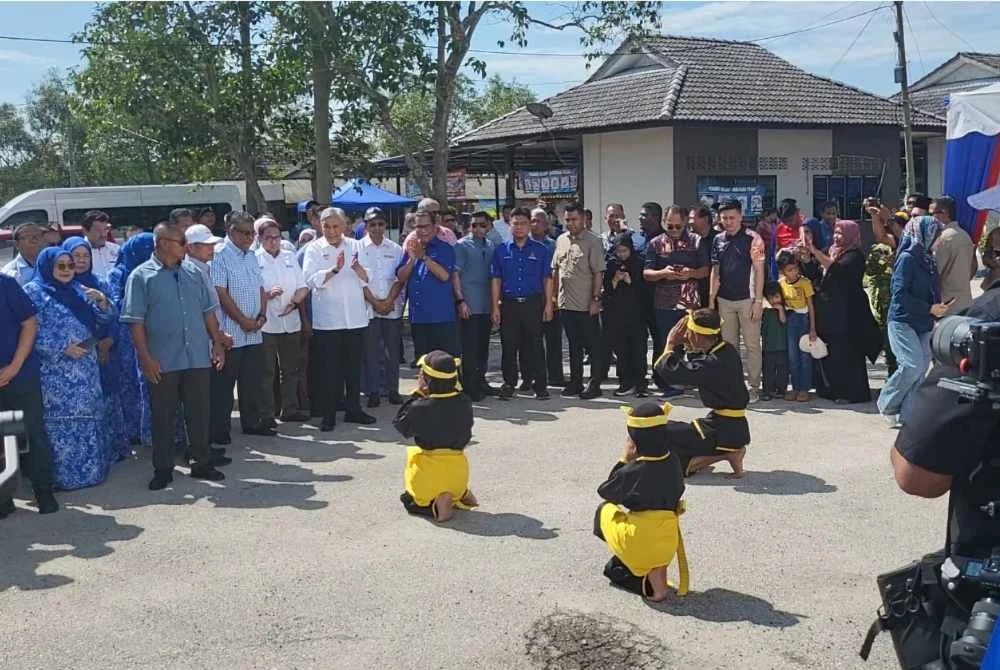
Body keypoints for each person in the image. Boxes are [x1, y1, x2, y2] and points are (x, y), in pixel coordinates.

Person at [123, 223, 231, 489]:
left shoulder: (193, 272)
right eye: (181, 241)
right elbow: (134, 321)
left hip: (196, 357)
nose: (186, 246)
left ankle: (201, 463)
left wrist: (217, 343)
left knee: (199, 413)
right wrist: (146, 359)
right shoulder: (141, 276)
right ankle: (163, 468)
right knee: (163, 416)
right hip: (163, 359)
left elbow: (208, 311)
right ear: (162, 243)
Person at [23, 247, 118, 490]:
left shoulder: (79, 289)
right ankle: (63, 479)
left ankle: (91, 474)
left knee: (88, 419)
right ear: (47, 267)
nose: (66, 271)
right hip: (55, 373)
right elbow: (27, 332)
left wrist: (102, 301)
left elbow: (105, 321)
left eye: (70, 266)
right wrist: (60, 348)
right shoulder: (33, 292)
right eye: (60, 266)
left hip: (86, 368)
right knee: (61, 426)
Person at [594, 401, 687, 601]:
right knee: (655, 538)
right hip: (668, 538)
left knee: (604, 510)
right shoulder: (673, 460)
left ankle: (636, 562)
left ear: (635, 440)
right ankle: (657, 577)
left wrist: (624, 459)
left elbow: (606, 491)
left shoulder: (634, 469)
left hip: (643, 539)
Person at [302, 207, 376, 431]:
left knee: (353, 368)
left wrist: (356, 268)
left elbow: (368, 278)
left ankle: (354, 409)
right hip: (328, 321)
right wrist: (334, 270)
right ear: (320, 226)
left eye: (336, 226)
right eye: (327, 226)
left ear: (345, 226)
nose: (332, 231)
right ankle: (328, 414)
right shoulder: (314, 249)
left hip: (354, 318)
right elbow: (310, 280)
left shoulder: (356, 246)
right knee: (328, 370)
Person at [654, 309, 751, 478]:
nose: (686, 334)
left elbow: (675, 373)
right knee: (676, 445)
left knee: (659, 432)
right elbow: (699, 365)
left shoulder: (713, 363)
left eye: (689, 332)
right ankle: (718, 454)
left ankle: (727, 454)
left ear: (697, 335)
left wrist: (670, 343)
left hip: (722, 432)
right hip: (729, 426)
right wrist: (689, 345)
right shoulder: (725, 349)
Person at [877, 216, 953, 428]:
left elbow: (931, 291)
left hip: (924, 322)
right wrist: (929, 308)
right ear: (926, 235)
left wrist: (939, 307)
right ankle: (887, 404)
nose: (940, 240)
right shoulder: (908, 258)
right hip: (903, 321)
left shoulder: (928, 259)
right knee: (911, 365)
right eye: (937, 236)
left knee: (920, 369)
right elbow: (899, 294)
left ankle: (908, 410)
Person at [62, 236, 130, 461]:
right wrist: (92, 345)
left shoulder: (99, 283)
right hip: (77, 355)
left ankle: (115, 449)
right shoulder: (60, 286)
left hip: (106, 349)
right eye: (76, 256)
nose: (81, 261)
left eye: (85, 256)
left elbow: (114, 315)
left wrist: (107, 341)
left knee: (109, 397)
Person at [210, 211, 273, 442]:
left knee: (252, 381)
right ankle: (220, 431)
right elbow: (220, 292)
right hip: (232, 332)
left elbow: (260, 287)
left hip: (254, 330)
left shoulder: (252, 254)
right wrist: (242, 320)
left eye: (253, 234)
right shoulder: (219, 254)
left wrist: (262, 316)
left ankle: (252, 423)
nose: (250, 238)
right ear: (231, 231)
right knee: (225, 387)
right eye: (246, 233)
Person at [393, 351, 477, 523]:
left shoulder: (421, 407)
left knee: (409, 500)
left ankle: (436, 505)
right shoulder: (464, 401)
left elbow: (400, 425)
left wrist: (417, 394)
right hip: (458, 469)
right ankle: (460, 493)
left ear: (427, 379)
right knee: (452, 480)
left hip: (432, 471)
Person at [0, 273, 59, 515]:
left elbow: (29, 323)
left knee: (31, 433)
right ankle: (5, 497)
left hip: (19, 374)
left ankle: (43, 491)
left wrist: (14, 366)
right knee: (5, 436)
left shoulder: (5, 284)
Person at [808, 220, 882, 404]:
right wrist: (807, 259)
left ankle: (852, 394)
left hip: (849, 313)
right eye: (835, 232)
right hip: (829, 310)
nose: (836, 236)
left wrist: (814, 251)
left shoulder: (854, 255)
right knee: (831, 351)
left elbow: (837, 270)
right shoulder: (831, 250)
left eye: (841, 233)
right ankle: (832, 390)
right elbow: (818, 274)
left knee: (848, 353)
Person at [643, 205, 710, 398]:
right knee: (667, 343)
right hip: (664, 303)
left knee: (696, 344)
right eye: (669, 226)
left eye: (678, 227)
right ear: (664, 223)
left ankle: (697, 381)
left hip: (691, 302)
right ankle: (667, 383)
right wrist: (664, 273)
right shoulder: (655, 243)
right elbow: (647, 273)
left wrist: (691, 273)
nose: (673, 230)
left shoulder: (696, 241)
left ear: (685, 224)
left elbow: (706, 270)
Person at [490, 206, 554, 400]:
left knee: (535, 346)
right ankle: (509, 383)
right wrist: (494, 307)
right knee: (509, 346)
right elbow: (496, 279)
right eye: (515, 223)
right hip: (509, 304)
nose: (519, 227)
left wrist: (549, 305)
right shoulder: (501, 250)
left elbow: (548, 279)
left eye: (523, 223)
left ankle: (540, 385)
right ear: (510, 225)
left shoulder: (540, 250)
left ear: (529, 225)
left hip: (532, 303)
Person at [709, 199, 766, 401]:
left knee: (752, 345)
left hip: (748, 300)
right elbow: (715, 272)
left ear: (741, 216)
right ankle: (733, 384)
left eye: (732, 217)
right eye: (724, 218)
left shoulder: (753, 238)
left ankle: (753, 386)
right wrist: (711, 302)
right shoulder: (717, 240)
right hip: (724, 300)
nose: (728, 221)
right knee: (728, 346)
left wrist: (758, 301)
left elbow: (759, 271)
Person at [256, 218, 310, 422]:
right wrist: (268, 294)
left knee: (291, 369)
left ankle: (290, 409)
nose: (273, 242)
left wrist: (295, 303)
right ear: (259, 238)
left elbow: (303, 286)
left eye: (277, 237)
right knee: (268, 371)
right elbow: (252, 291)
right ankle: (267, 413)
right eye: (268, 238)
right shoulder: (255, 258)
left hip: (291, 321)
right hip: (267, 323)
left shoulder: (289, 256)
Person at [106, 233, 156, 446]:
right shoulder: (117, 275)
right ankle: (134, 429)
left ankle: (156, 430)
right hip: (127, 337)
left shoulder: (158, 270)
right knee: (130, 383)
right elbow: (115, 305)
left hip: (153, 334)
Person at [552, 201, 605, 399]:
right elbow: (556, 269)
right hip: (566, 303)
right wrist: (553, 297)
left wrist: (596, 299)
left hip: (586, 304)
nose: (570, 223)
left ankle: (595, 383)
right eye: (567, 220)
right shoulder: (561, 240)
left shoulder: (593, 241)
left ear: (583, 219)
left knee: (592, 346)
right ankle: (575, 382)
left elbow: (598, 273)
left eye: (574, 219)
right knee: (573, 345)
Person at [396, 209, 461, 358]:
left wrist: (424, 257)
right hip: (419, 317)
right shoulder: (411, 249)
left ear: (434, 227)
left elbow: (444, 276)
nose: (422, 231)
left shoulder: (445, 248)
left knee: (446, 363)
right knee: (424, 364)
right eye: (418, 227)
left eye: (426, 226)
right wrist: (412, 259)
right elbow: (400, 277)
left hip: (441, 317)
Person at [358, 206, 405, 408]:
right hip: (368, 308)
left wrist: (388, 301)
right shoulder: (357, 248)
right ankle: (373, 391)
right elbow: (359, 281)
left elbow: (399, 278)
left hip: (391, 307)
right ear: (365, 226)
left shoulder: (395, 249)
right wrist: (375, 302)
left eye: (380, 224)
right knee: (370, 352)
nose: (377, 228)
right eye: (372, 224)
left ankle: (393, 390)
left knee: (392, 352)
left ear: (386, 225)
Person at [520, 207, 564, 389]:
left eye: (539, 221)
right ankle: (528, 377)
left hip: (551, 299)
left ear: (546, 225)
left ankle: (555, 376)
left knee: (553, 339)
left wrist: (553, 298)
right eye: (532, 220)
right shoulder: (521, 244)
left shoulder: (554, 245)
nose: (535, 224)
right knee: (528, 340)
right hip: (530, 299)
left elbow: (558, 273)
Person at [454, 211, 496, 400]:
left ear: (489, 227)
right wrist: (460, 301)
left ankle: (480, 380)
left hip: (486, 304)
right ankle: (469, 385)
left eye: (482, 225)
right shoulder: (462, 246)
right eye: (474, 225)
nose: (478, 228)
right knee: (469, 348)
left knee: (483, 346)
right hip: (469, 304)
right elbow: (455, 275)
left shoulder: (491, 245)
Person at [603, 233, 647, 397]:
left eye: (624, 251)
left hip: (637, 314)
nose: (621, 254)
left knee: (638, 349)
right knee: (622, 349)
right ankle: (625, 382)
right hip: (617, 315)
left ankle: (640, 384)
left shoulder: (638, 263)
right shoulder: (611, 264)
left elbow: (645, 290)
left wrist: (631, 281)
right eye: (619, 251)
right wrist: (615, 281)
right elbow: (606, 290)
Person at [776, 250, 816, 402]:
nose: (794, 272)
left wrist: (812, 328)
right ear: (782, 271)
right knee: (792, 356)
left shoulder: (805, 283)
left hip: (803, 319)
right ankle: (795, 386)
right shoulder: (780, 284)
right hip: (790, 319)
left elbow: (811, 306)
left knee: (804, 354)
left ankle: (804, 388)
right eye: (789, 270)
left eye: (795, 268)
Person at [931, 196, 977, 316]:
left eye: (932, 214)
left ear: (944, 213)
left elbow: (934, 272)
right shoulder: (965, 236)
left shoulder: (943, 238)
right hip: (965, 302)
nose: (930, 218)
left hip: (946, 306)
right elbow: (973, 268)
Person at [760, 282, 788, 401]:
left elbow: (783, 321)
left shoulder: (784, 309)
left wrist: (780, 309)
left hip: (782, 346)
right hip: (768, 346)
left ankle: (781, 390)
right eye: (770, 298)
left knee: (782, 369)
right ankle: (767, 390)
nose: (774, 300)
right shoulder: (765, 310)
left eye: (776, 297)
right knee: (768, 370)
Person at [689, 206, 717, 309]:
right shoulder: (688, 240)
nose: (690, 222)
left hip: (714, 293)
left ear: (705, 219)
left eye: (692, 218)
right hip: (693, 294)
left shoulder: (719, 239)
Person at [80, 210, 120, 279]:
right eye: (98, 230)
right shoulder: (78, 252)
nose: (103, 234)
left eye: (105, 229)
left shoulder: (116, 249)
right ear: (85, 231)